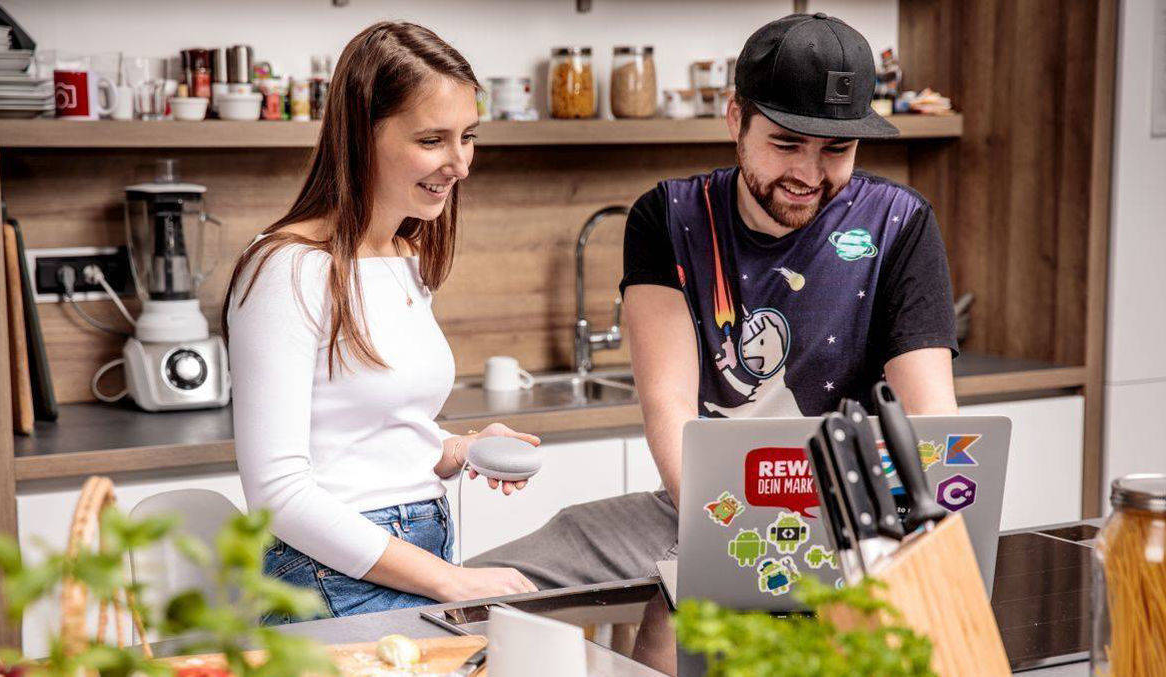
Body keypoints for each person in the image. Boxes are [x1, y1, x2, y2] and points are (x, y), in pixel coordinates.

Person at [467, 13, 959, 589]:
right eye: (786, 143)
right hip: (704, 505)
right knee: (481, 583)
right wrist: (732, 544)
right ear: (735, 118)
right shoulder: (668, 218)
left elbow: (930, 426)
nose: (808, 172)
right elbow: (671, 407)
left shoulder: (901, 224)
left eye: (837, 149)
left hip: (856, 524)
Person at [222, 22, 539, 623]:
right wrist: (447, 580)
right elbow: (279, 495)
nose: (460, 164)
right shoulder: (285, 270)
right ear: (359, 136)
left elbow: (375, 440)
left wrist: (466, 449)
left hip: (418, 550)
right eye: (432, 140)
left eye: (467, 137)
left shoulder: (403, 255)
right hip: (327, 578)